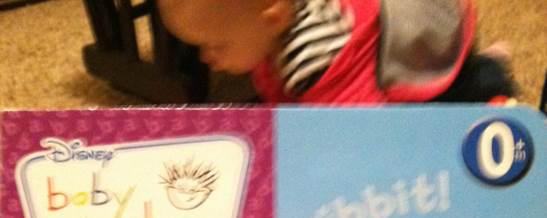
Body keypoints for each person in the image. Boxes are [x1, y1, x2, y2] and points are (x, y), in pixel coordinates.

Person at [157, 0, 516, 104]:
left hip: (422, 46)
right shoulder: (271, 30)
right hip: (386, 29)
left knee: (457, 99)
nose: (205, 58)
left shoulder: (316, 63)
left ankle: (489, 72)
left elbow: (358, 134)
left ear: (274, 17)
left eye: (215, 45)